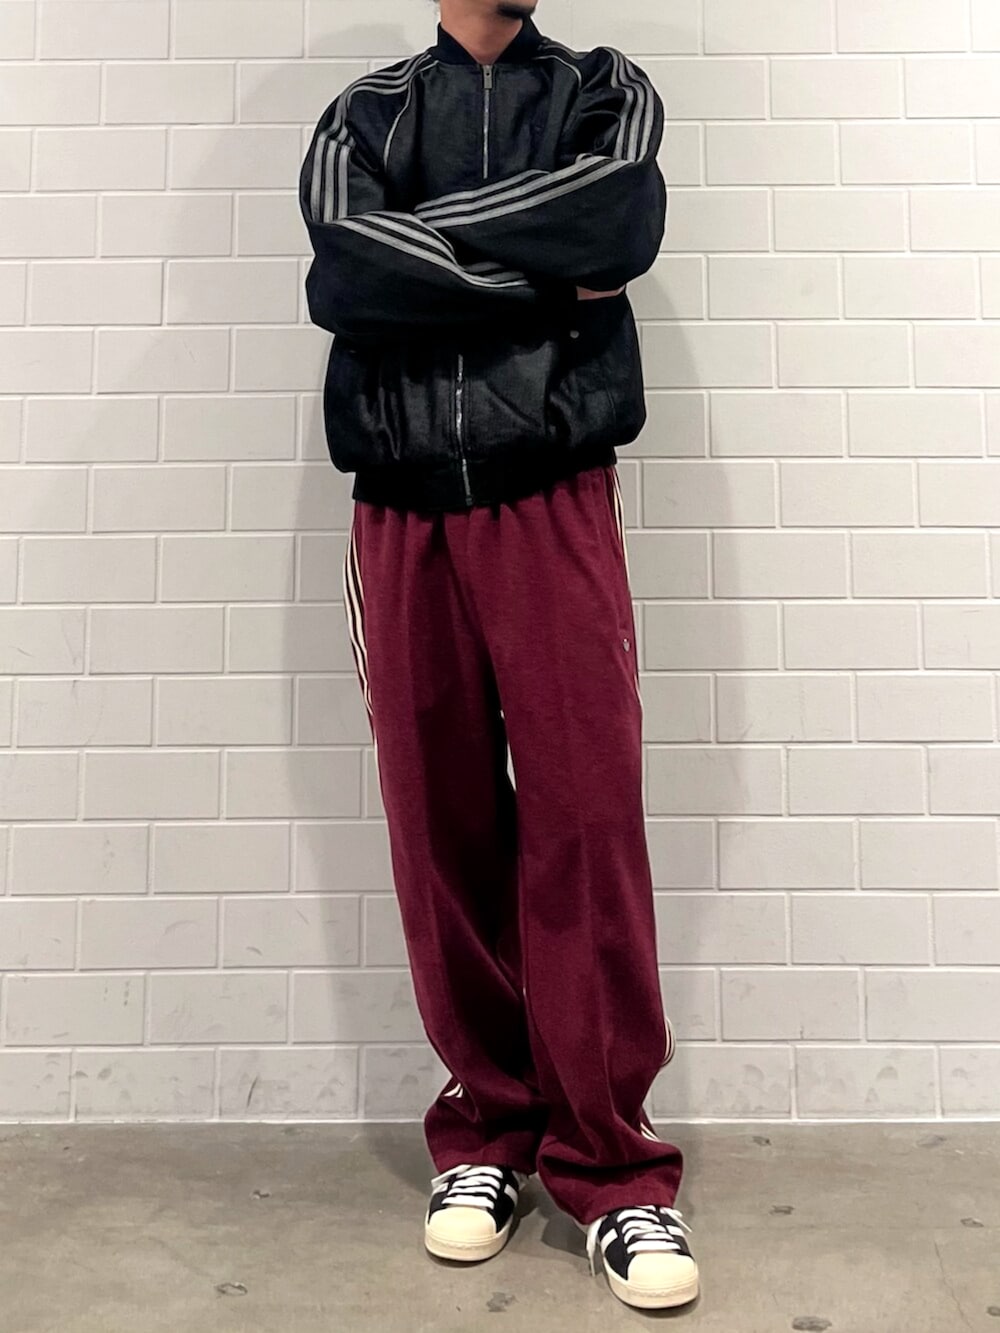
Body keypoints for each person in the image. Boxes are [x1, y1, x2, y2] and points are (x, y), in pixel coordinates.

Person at [299, 0, 698, 1311]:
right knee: (441, 824)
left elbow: (615, 226)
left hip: (552, 496)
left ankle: (614, 1166)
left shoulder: (604, 94)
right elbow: (343, 275)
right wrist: (535, 272)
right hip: (402, 508)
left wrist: (427, 248)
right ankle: (487, 1130)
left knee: (586, 823)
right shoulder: (361, 117)